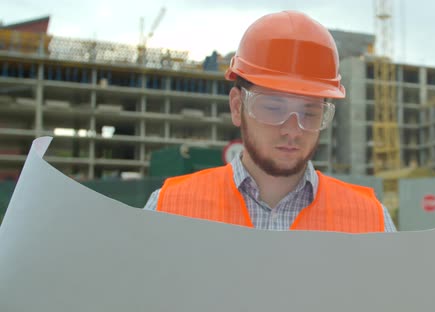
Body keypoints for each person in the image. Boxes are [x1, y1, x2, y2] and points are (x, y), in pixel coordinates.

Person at [144, 10, 396, 233]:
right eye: (274, 108)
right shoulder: (169, 209)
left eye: (309, 112)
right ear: (236, 107)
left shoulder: (372, 221)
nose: (292, 129)